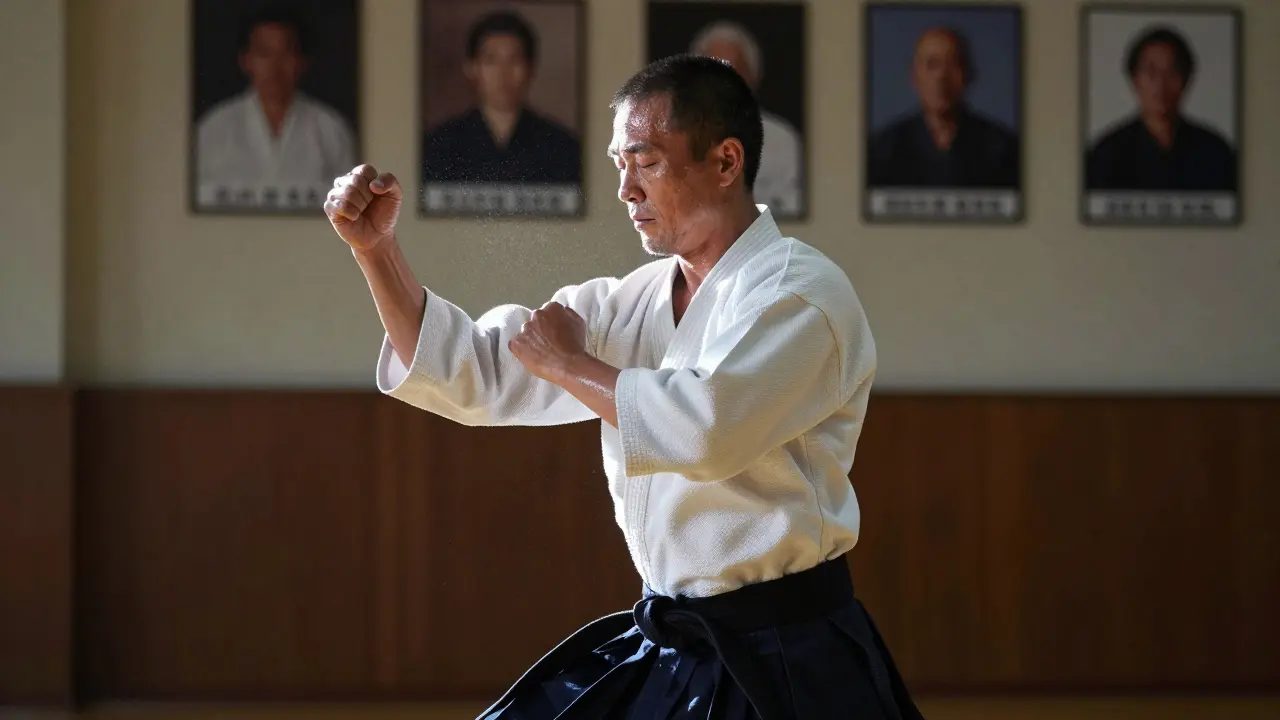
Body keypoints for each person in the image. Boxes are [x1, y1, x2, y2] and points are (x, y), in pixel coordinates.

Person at [326, 54, 921, 720]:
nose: (626, 191)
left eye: (647, 162)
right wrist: (376, 253)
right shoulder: (630, 302)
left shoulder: (800, 295)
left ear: (726, 162)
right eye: (619, 165)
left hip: (787, 654)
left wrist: (572, 366)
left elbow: (706, 430)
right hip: (672, 641)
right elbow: (475, 372)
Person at [196, 7, 356, 206]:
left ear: (302, 61)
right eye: (264, 53)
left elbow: (348, 207)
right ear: (246, 60)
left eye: (286, 53)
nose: (275, 66)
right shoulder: (214, 127)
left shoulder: (331, 128)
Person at [421, 10, 581, 187]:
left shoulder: (562, 148)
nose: (503, 73)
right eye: (492, 60)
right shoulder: (440, 145)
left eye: (514, 60)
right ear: (472, 68)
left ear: (530, 69)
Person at [1085, 25, 1237, 192]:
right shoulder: (1106, 154)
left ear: (1186, 80)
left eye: (1171, 72)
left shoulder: (1215, 152)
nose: (1160, 84)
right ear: (1135, 80)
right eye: (1151, 72)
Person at [867, 26, 1019, 189]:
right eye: (932, 65)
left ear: (969, 75)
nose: (941, 76)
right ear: (914, 76)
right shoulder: (883, 149)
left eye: (953, 64)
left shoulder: (1003, 148)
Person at [690, 20, 803, 218]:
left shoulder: (782, 139)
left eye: (734, 70)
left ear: (753, 76)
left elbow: (792, 210)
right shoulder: (671, 137)